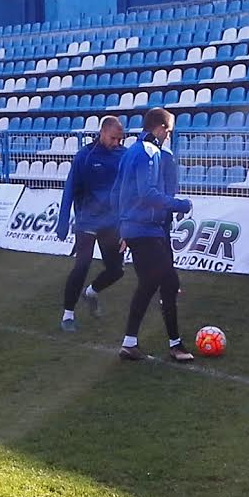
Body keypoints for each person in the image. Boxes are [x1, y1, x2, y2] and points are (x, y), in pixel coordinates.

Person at [112, 108, 194, 362]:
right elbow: (147, 193)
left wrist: (122, 228)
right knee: (168, 282)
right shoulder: (148, 152)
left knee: (149, 284)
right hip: (145, 229)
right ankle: (175, 344)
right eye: (168, 131)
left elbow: (116, 192)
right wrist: (179, 204)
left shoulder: (130, 153)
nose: (168, 136)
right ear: (159, 128)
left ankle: (130, 343)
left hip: (139, 229)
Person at [55, 116, 127, 332]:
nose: (116, 142)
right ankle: (68, 315)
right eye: (113, 138)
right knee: (82, 264)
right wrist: (63, 219)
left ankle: (91, 293)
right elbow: (69, 189)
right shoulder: (85, 157)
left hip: (111, 223)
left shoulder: (123, 156)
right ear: (103, 132)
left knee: (116, 270)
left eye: (119, 139)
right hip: (87, 220)